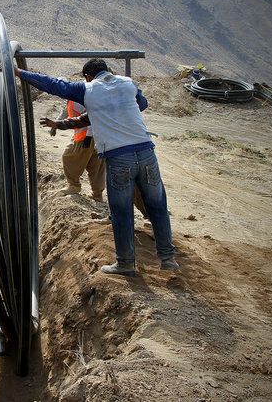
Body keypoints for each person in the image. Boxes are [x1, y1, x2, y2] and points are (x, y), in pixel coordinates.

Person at [14, 59, 178, 276]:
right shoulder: (128, 83)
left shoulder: (87, 89)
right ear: (108, 71)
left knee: (121, 212)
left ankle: (126, 264)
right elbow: (142, 104)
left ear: (88, 77)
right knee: (157, 206)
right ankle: (168, 259)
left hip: (119, 157)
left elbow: (52, 84)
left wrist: (18, 72)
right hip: (147, 153)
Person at [54, 99, 106, 201]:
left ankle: (74, 186)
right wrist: (55, 124)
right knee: (96, 164)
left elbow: (91, 117)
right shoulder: (71, 100)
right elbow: (64, 113)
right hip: (99, 136)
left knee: (68, 157)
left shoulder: (78, 101)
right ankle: (97, 194)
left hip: (85, 136)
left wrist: (88, 136)